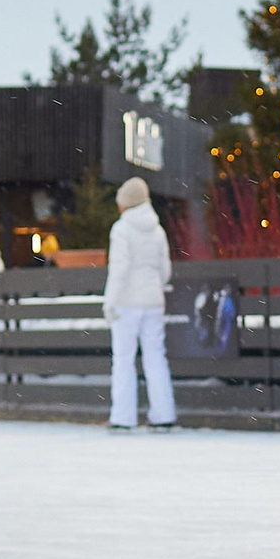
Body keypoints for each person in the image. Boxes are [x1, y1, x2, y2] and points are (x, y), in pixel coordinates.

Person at [103, 177, 176, 432]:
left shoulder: (121, 230)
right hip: (153, 302)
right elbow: (164, 270)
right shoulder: (157, 230)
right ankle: (163, 414)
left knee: (123, 359)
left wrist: (109, 303)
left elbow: (119, 269)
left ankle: (123, 417)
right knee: (156, 358)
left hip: (126, 303)